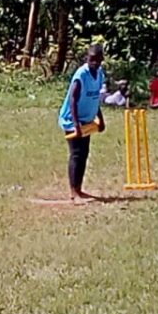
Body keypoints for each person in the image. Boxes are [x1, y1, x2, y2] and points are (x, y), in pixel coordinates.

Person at [58, 43, 107, 201]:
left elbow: (95, 99)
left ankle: (79, 189)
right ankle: (73, 192)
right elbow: (73, 100)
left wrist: (100, 118)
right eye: (91, 59)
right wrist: (76, 124)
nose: (93, 62)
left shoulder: (99, 74)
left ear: (101, 60)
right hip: (73, 119)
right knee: (76, 154)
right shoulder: (81, 74)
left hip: (87, 119)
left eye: (97, 60)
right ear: (87, 58)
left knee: (84, 154)